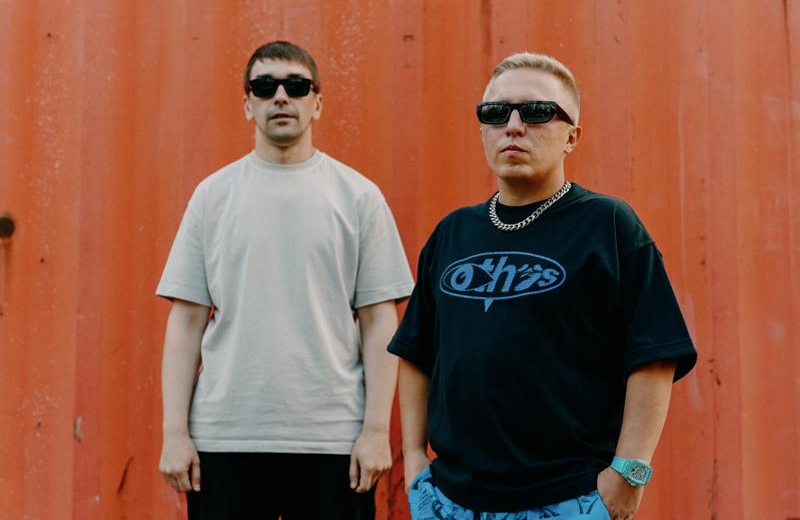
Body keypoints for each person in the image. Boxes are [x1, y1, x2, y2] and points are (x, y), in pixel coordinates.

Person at [388, 52, 697, 520]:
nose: (513, 126)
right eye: (496, 113)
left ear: (572, 136)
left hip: (568, 498)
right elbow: (415, 352)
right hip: (451, 499)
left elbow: (654, 355)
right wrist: (414, 459)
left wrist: (628, 474)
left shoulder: (608, 225)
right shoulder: (453, 232)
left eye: (536, 112)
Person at [156, 41, 414, 519]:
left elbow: (380, 322)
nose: (280, 96)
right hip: (225, 439)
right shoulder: (212, 197)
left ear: (317, 103)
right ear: (247, 104)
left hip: (333, 441)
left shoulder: (359, 197)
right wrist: (175, 433)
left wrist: (376, 431)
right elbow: (186, 322)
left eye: (296, 86)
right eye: (264, 86)